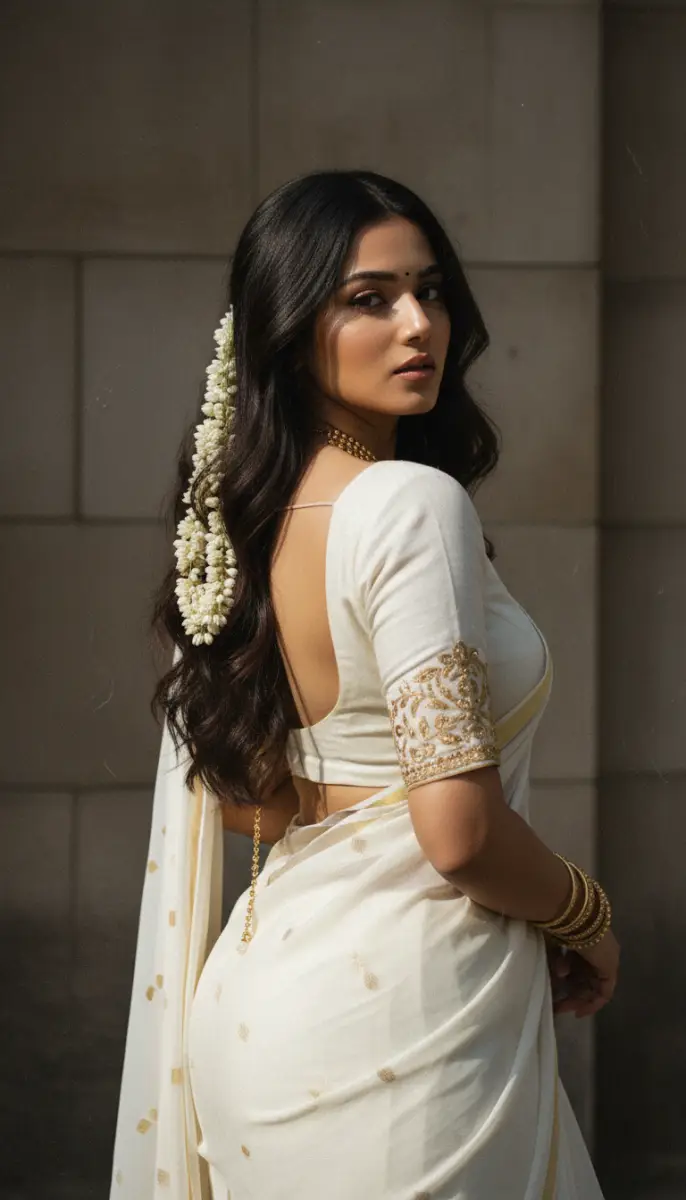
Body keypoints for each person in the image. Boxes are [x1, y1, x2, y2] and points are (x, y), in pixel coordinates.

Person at [109, 169, 619, 1199]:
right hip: (401, 1030)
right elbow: (458, 833)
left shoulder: (244, 524)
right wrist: (585, 918)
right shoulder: (409, 505)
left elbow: (260, 803)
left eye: (428, 291)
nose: (416, 323)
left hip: (265, 1014)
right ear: (291, 325)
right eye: (367, 298)